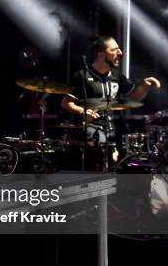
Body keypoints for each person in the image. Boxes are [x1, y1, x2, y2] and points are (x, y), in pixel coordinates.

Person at [61, 35, 160, 168]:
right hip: (88, 131)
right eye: (114, 50)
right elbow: (66, 103)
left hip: (110, 131)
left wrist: (146, 86)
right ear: (101, 55)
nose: (120, 53)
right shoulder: (82, 75)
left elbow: (133, 98)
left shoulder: (116, 76)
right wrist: (83, 111)